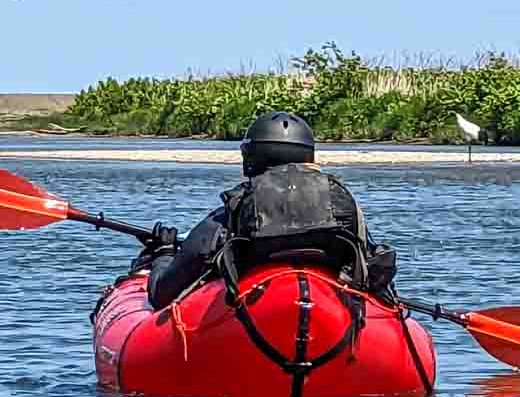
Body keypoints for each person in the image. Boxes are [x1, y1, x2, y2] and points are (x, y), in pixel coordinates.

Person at [132, 111, 396, 311]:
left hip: (253, 320)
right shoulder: (341, 203)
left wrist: (164, 253)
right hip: (331, 316)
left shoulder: (235, 209)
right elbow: (373, 270)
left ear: (252, 157)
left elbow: (162, 294)